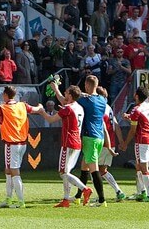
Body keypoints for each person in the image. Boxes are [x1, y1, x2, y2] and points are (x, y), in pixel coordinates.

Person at [50, 74, 116, 205]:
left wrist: (55, 89)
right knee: (84, 167)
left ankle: (101, 200)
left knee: (93, 168)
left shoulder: (85, 101)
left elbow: (65, 101)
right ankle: (78, 196)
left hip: (89, 136)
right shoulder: (102, 100)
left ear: (86, 85)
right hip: (100, 137)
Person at [35, 85, 91, 207]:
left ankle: (84, 189)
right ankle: (66, 200)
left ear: (70, 95)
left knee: (63, 172)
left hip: (68, 142)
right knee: (67, 172)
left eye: (66, 93)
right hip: (77, 142)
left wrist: (41, 111)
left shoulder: (68, 108)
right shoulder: (79, 107)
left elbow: (50, 119)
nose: (64, 95)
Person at [122, 88, 149, 202]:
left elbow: (133, 130)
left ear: (136, 96)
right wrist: (130, 118)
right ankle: (142, 191)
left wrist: (125, 143)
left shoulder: (136, 109)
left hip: (142, 141)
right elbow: (143, 121)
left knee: (143, 168)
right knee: (139, 166)